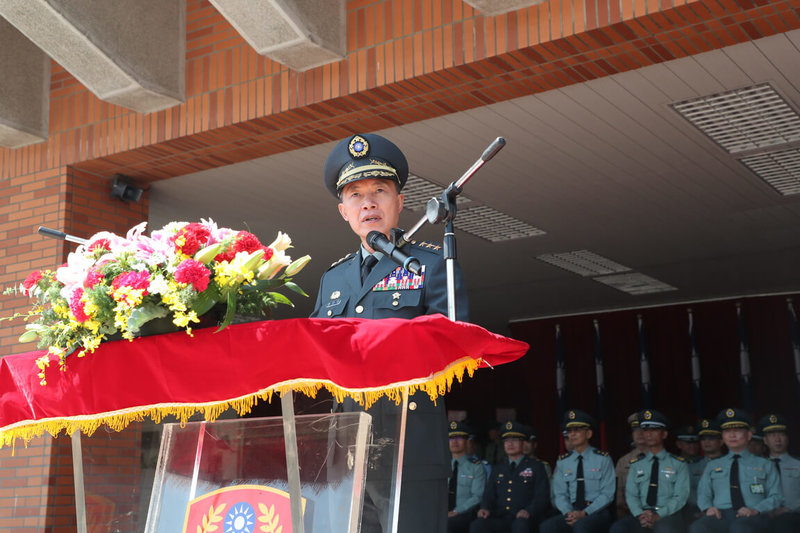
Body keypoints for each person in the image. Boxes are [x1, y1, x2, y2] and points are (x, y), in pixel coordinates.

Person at [311, 133, 470, 533]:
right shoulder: (333, 278)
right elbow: (313, 357)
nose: (368, 202)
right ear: (343, 212)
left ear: (399, 203)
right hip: (347, 449)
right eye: (355, 194)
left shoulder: (431, 265)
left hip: (410, 445)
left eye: (380, 190)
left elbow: (456, 343)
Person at [690, 408, 782, 533]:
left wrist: (756, 509)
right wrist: (708, 508)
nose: (732, 435)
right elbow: (703, 493)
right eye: (727, 431)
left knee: (740, 528)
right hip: (721, 515)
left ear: (749, 435)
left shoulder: (765, 464)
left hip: (754, 514)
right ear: (723, 436)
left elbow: (776, 496)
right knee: (699, 527)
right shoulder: (713, 465)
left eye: (737, 431)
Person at [610, 410, 689, 533]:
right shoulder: (636, 464)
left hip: (668, 514)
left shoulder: (678, 464)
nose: (649, 434)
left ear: (664, 434)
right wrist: (640, 514)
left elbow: (680, 497)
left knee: (665, 529)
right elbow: (631, 495)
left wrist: (658, 515)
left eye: (654, 430)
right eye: (646, 430)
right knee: (618, 528)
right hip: (642, 514)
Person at [540, 410, 615, 533]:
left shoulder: (603, 459)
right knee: (547, 527)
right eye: (570, 431)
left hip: (597, 512)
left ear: (589, 433)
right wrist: (569, 512)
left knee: (581, 526)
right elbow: (560, 494)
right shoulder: (563, 461)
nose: (572, 434)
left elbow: (607, 494)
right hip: (572, 510)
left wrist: (585, 512)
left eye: (577, 430)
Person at [471, 421, 550, 533]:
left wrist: (529, 511)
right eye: (507, 441)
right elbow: (489, 494)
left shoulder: (536, 466)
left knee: (520, 526)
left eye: (515, 440)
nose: (510, 444)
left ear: (523, 443)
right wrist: (485, 508)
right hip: (500, 517)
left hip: (525, 517)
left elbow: (542, 496)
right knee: (478, 525)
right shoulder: (498, 468)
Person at [758, 413, 800, 533]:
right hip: (764, 516)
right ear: (765, 440)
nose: (777, 439)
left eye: (781, 434)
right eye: (772, 435)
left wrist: (789, 509)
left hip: (793, 515)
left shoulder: (798, 464)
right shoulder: (758, 467)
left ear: (787, 438)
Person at [448, 421, 488, 533]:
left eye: (459, 438)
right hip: (443, 512)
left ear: (467, 442)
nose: (454, 442)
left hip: (465, 513)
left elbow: (477, 496)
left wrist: (456, 511)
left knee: (448, 525)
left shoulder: (476, 467)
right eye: (451, 438)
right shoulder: (443, 466)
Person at [684, 418, 724, 523]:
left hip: (725, 510)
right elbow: (688, 491)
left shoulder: (729, 463)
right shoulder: (691, 466)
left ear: (721, 441)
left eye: (711, 438)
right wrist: (705, 507)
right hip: (697, 510)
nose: (706, 442)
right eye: (703, 439)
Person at [616, 412, 649, 518]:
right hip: (631, 513)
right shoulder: (623, 461)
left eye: (643, 429)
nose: (639, 433)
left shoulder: (662, 458)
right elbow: (618, 494)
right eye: (635, 429)